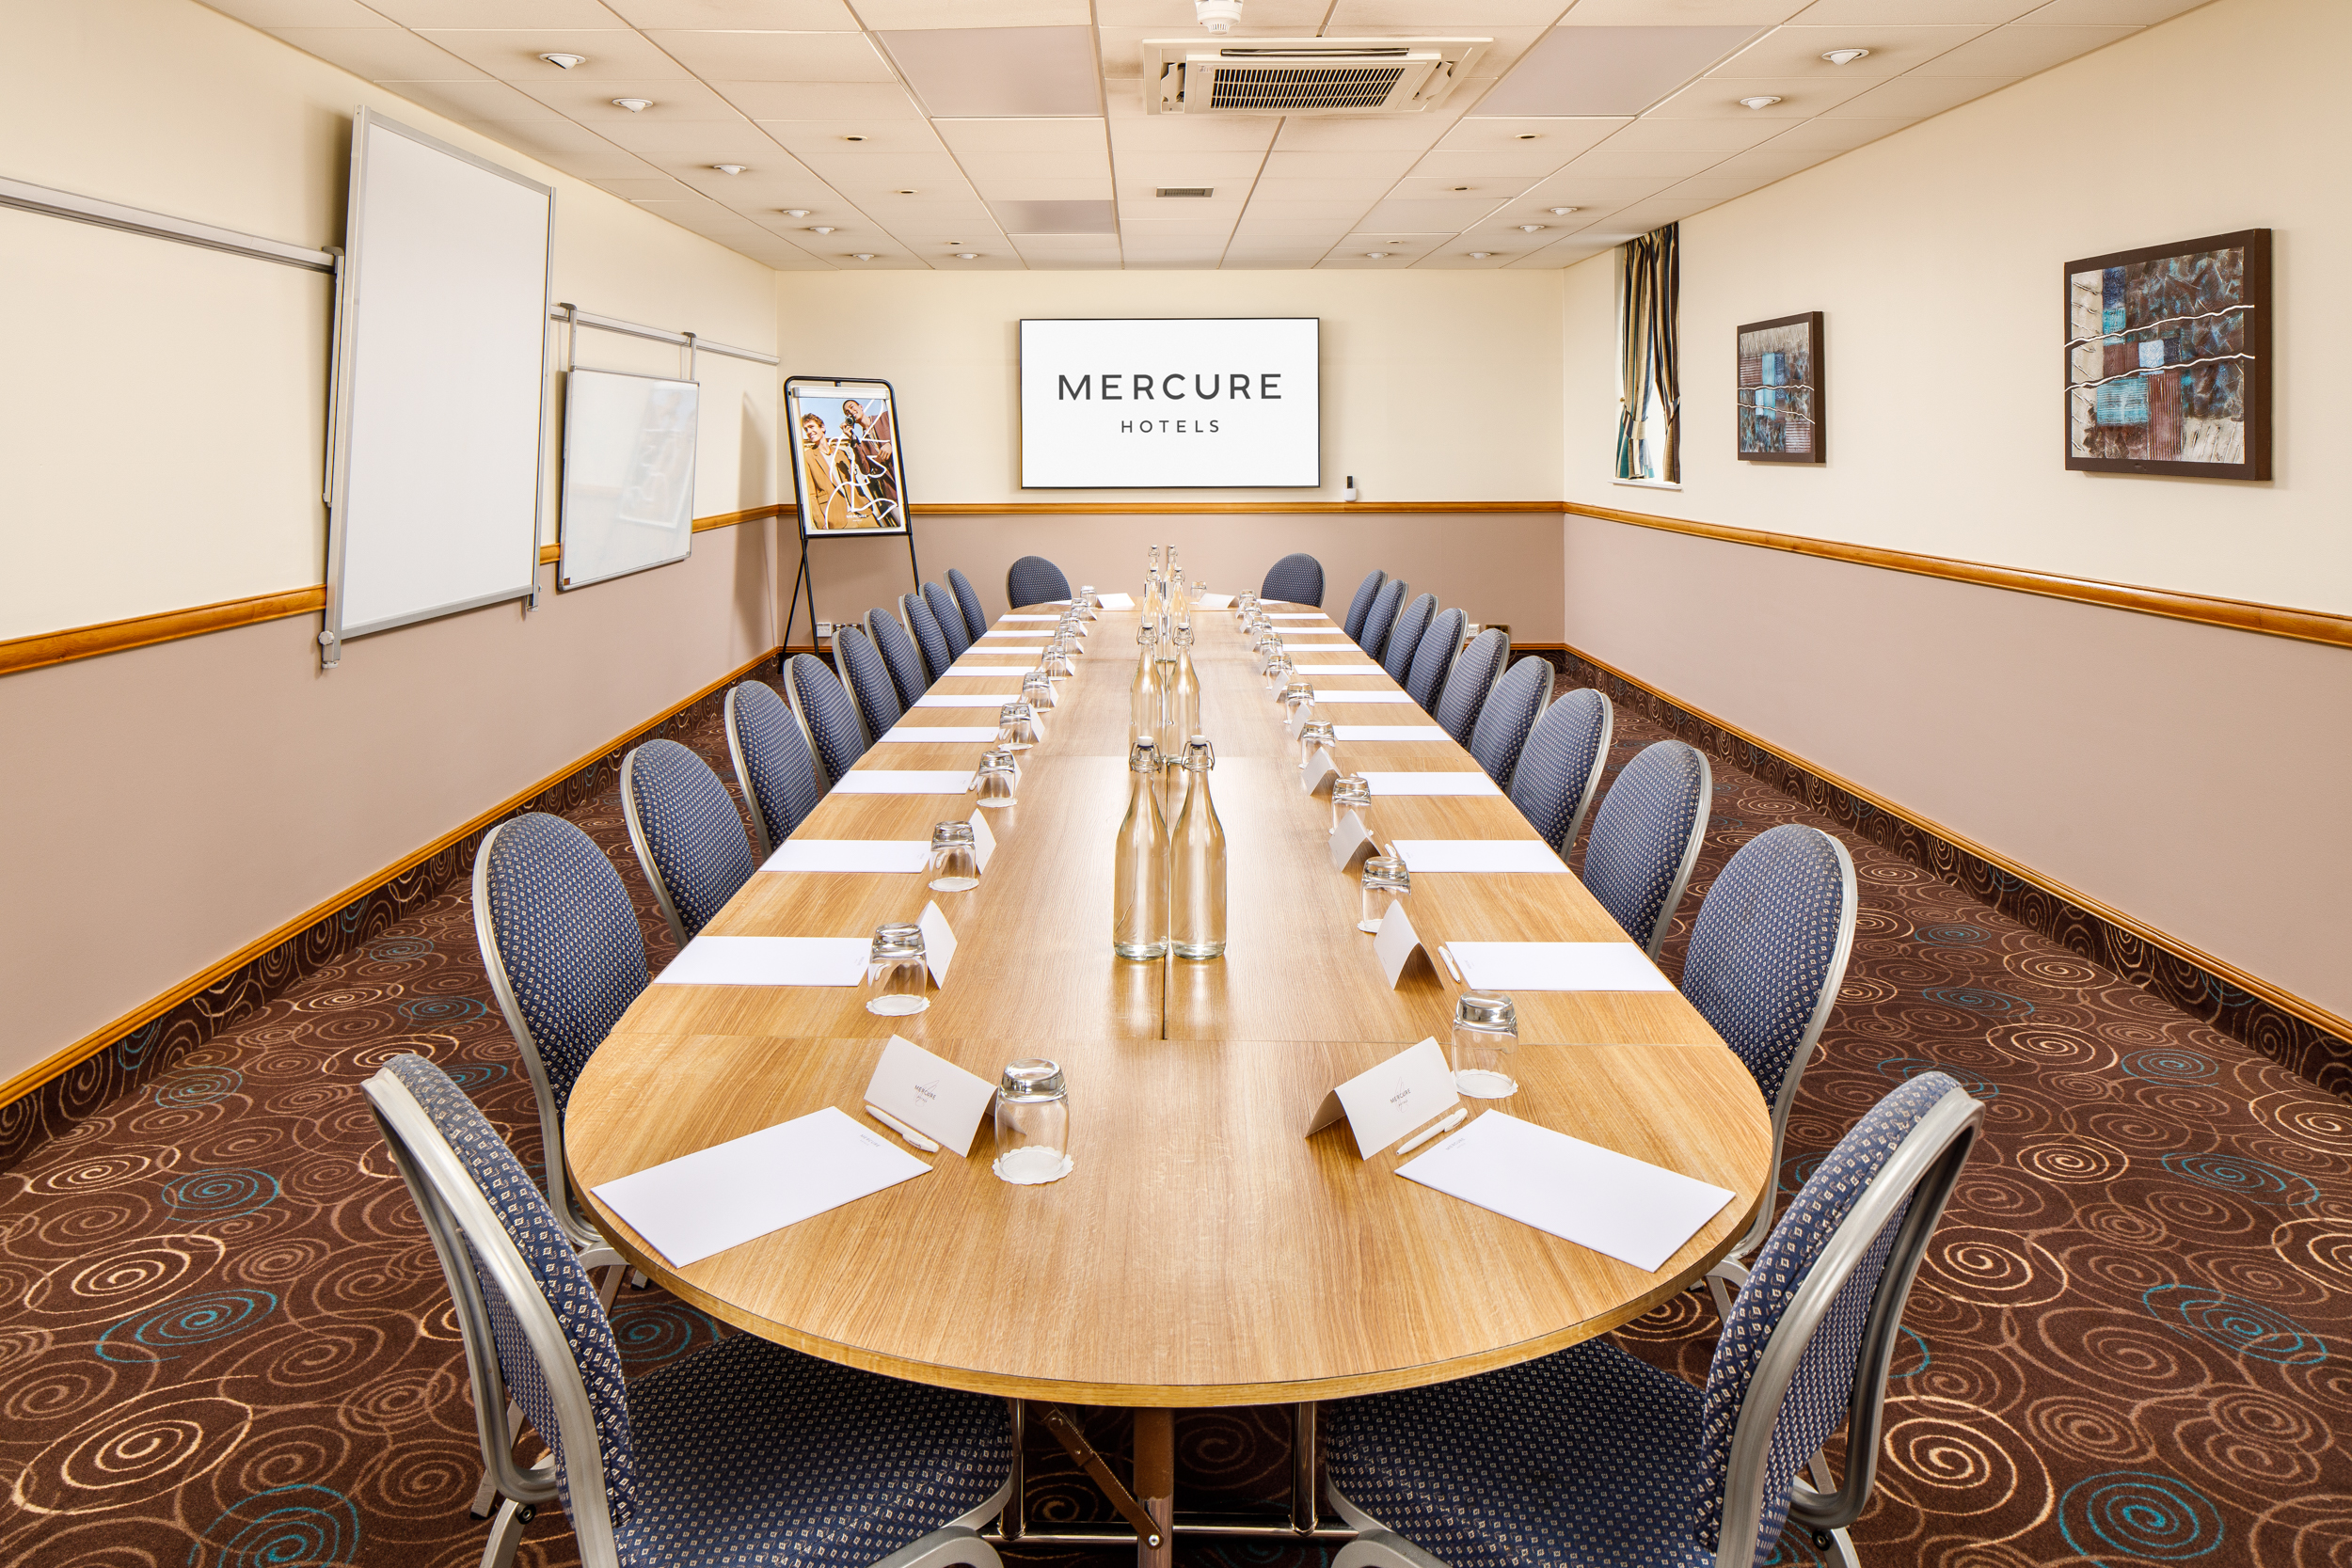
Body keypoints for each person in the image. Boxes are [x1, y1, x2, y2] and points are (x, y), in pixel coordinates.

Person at [839, 398, 900, 524]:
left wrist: (891, 445)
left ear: (861, 407)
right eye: (846, 412)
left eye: (852, 407)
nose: (850, 412)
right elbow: (865, 469)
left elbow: (906, 437)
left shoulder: (885, 417)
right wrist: (853, 440)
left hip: (905, 483)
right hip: (891, 493)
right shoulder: (863, 442)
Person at [797, 411, 850, 529]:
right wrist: (821, 523)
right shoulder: (807, 456)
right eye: (806, 430)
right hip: (835, 518)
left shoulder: (840, 453)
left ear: (823, 427)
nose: (809, 432)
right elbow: (810, 495)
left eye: (811, 427)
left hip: (860, 512)